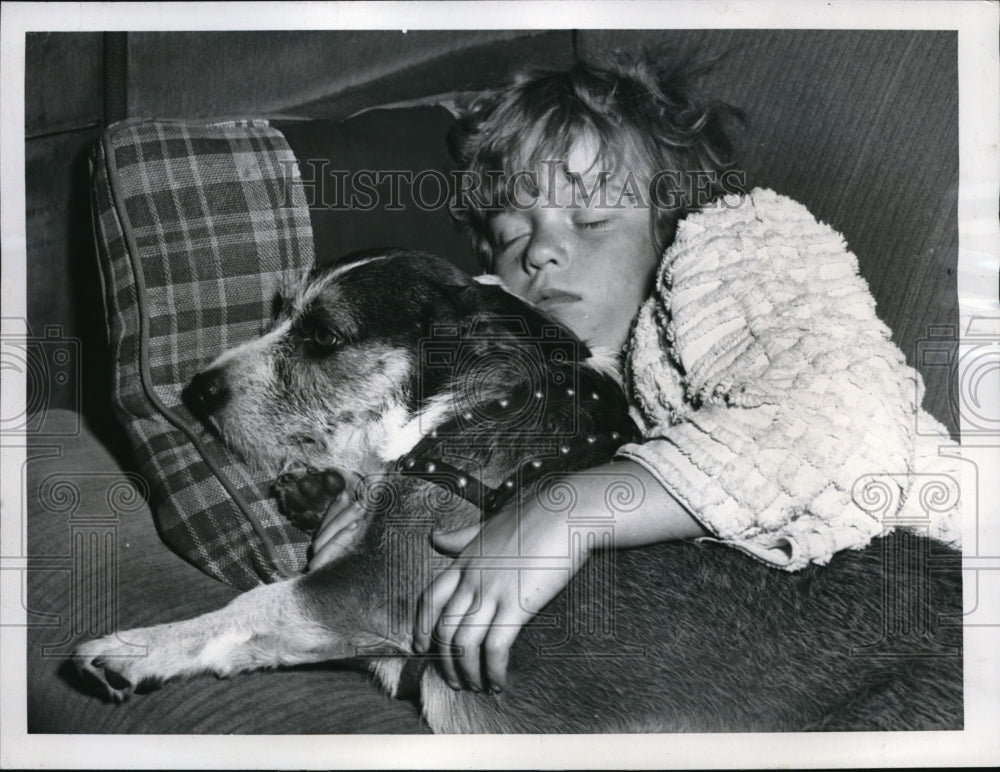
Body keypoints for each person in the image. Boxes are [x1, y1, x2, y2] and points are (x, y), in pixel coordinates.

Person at [308, 53, 961, 695]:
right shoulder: (554, 376)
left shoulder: (734, 245)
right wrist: (382, 501)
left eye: (590, 218)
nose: (540, 250)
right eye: (512, 234)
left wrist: (571, 509)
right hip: (791, 667)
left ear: (672, 217)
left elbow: (843, 429)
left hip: (942, 595)